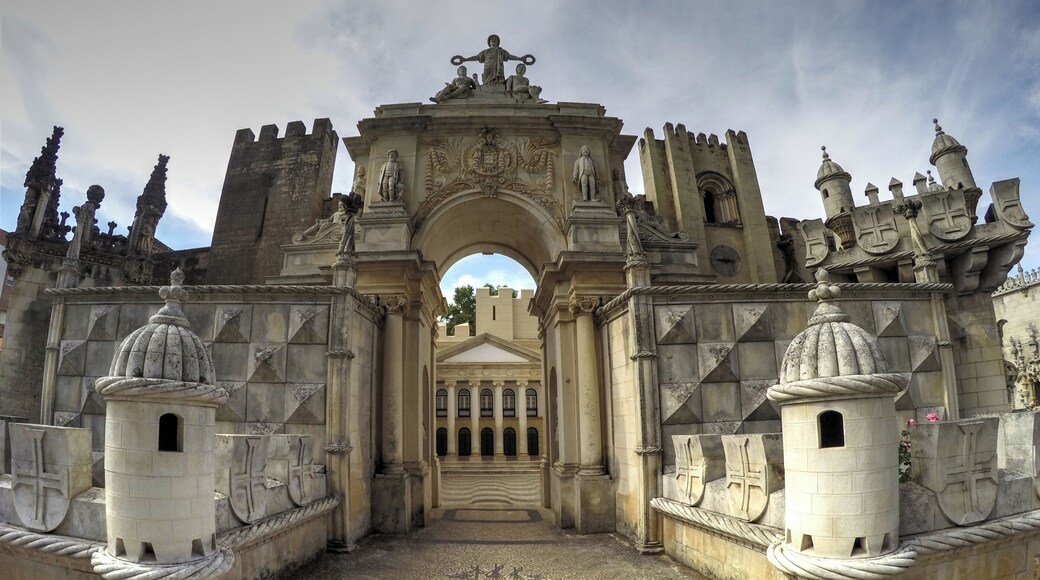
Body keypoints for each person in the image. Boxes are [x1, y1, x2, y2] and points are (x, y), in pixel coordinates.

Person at [452, 34, 533, 86]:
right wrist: (465, 59)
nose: (493, 40)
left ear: (497, 42)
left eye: (495, 39)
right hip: (488, 66)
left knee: (498, 80)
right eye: (492, 39)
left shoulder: (500, 51)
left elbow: (509, 56)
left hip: (498, 67)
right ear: (489, 42)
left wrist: (520, 59)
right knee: (487, 82)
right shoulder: (486, 51)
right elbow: (477, 57)